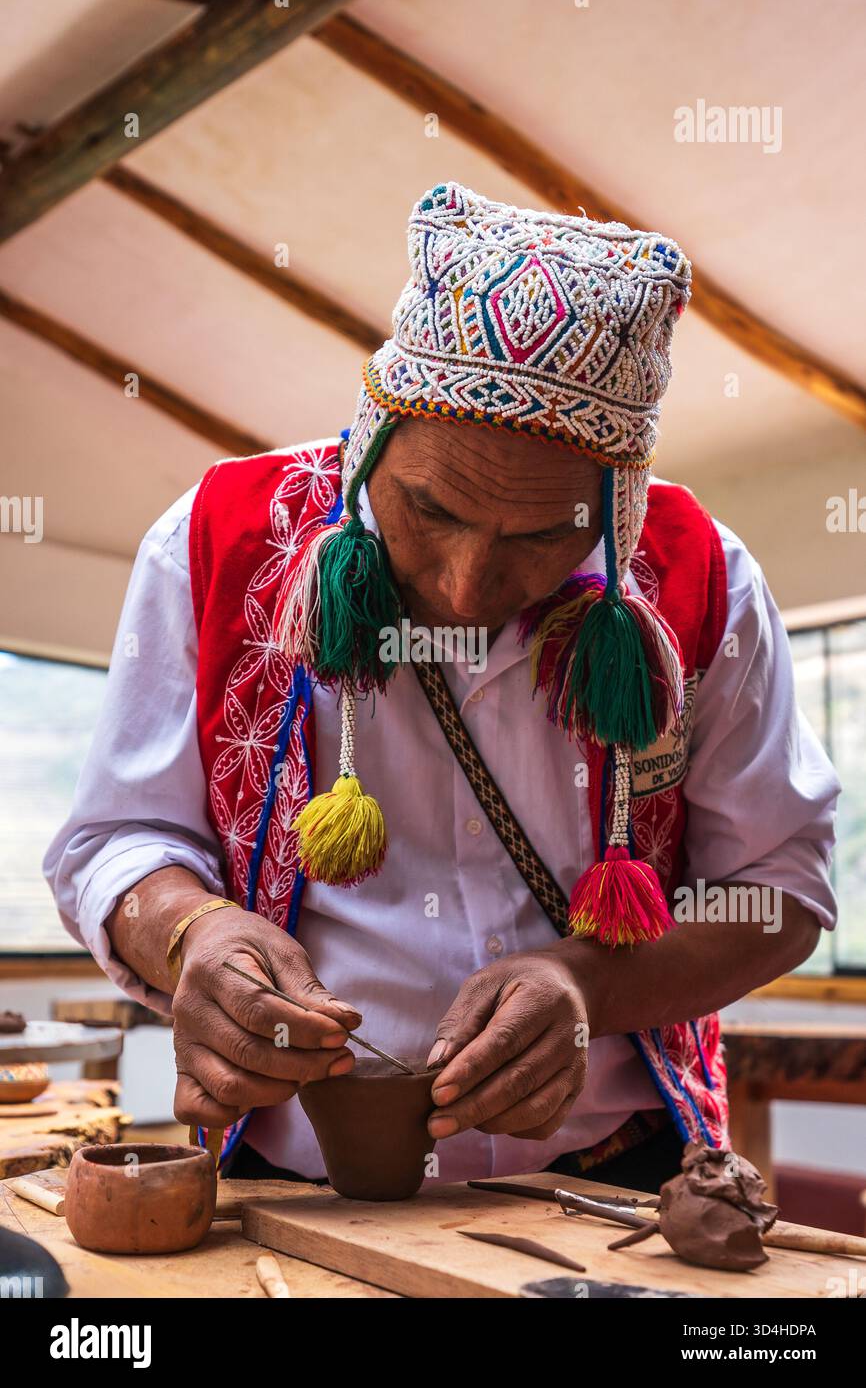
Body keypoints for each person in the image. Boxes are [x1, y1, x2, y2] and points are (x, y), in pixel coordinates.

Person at [45, 182, 839, 1193]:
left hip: (612, 1185)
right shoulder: (217, 544)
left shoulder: (700, 580)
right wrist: (190, 931)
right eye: (429, 507)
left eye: (544, 535)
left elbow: (777, 891)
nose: (466, 582)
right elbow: (115, 841)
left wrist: (583, 982)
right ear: (375, 432)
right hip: (295, 1191)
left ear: (614, 497)